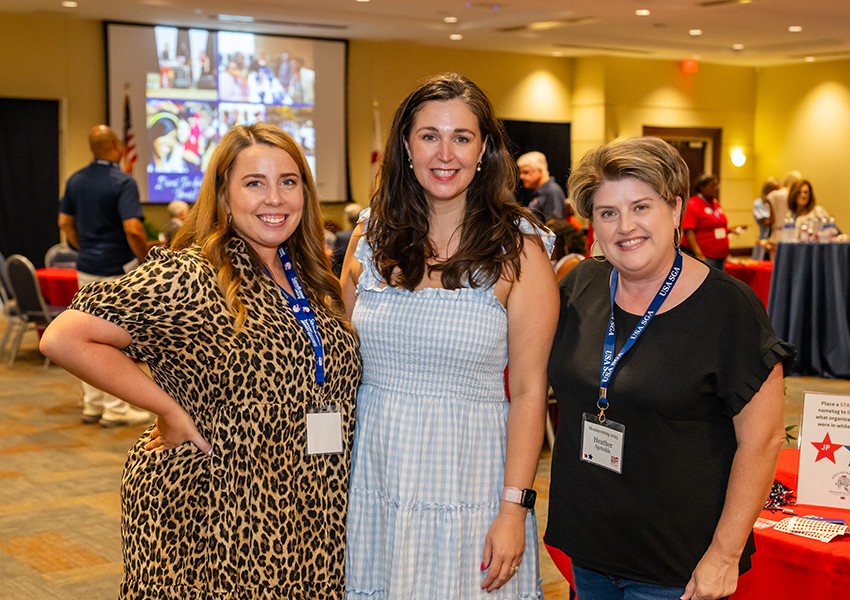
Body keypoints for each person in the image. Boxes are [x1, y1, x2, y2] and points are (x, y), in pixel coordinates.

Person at [41, 123, 361, 599]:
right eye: (255, 183)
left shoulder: (310, 275)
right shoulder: (193, 273)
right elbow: (65, 337)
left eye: (288, 182)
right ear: (225, 197)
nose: (275, 198)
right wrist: (168, 409)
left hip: (307, 500)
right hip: (217, 508)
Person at [546, 136, 794, 600]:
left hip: (678, 568)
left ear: (675, 210)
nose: (625, 226)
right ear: (593, 224)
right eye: (607, 212)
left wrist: (724, 555)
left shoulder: (728, 308)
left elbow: (763, 439)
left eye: (641, 207)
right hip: (590, 546)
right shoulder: (579, 286)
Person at [341, 73, 558, 599]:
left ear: (484, 148)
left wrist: (514, 508)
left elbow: (530, 393)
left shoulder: (520, 251)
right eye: (429, 135)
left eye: (462, 137)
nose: (446, 152)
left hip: (469, 481)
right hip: (374, 478)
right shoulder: (369, 239)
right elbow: (343, 367)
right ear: (405, 145)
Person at [58, 125, 151, 427]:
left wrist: (82, 246)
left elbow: (64, 222)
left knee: (87, 337)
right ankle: (116, 410)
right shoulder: (122, 181)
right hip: (116, 271)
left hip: (85, 268)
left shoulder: (76, 179)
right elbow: (134, 229)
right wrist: (145, 258)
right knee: (114, 340)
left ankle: (93, 405)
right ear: (115, 144)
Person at [681, 172, 745, 271]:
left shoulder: (715, 203)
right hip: (705, 255)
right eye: (712, 185)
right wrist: (698, 254)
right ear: (703, 187)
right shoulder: (693, 204)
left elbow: (714, 226)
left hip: (720, 255)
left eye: (717, 185)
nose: (716, 188)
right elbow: (689, 231)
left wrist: (729, 230)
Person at [517, 151, 566, 221]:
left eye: (526, 172)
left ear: (539, 171)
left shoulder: (552, 191)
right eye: (521, 173)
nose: (521, 176)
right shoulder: (539, 192)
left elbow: (555, 225)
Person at [765, 170, 802, 249]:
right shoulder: (795, 196)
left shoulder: (773, 195)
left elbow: (771, 219)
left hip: (777, 234)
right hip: (792, 233)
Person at [331, 203, 363, 278]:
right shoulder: (370, 235)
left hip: (345, 277)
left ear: (348, 219)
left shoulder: (341, 236)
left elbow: (335, 260)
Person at [752, 176, 780, 260]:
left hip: (776, 241)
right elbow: (766, 221)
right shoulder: (759, 203)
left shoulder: (779, 205)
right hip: (764, 242)